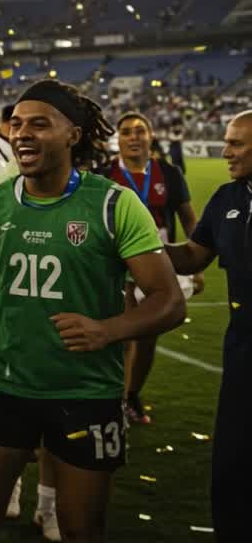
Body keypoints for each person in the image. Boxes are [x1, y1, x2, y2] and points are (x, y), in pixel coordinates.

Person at [0, 80, 186, 542]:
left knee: (82, 530)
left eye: (40, 124)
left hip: (85, 393)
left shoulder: (113, 205)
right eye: (17, 124)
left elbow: (168, 300)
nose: (23, 134)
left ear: (73, 135)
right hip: (2, 385)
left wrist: (108, 330)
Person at [160, 110, 252, 543]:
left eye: (235, 143)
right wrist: (142, 248)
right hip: (242, 353)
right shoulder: (227, 198)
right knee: (233, 462)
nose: (225, 151)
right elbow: (195, 256)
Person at [100, 111, 203, 424]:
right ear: (117, 139)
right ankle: (110, 398)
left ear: (150, 136)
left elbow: (188, 218)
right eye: (127, 131)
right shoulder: (103, 174)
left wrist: (196, 265)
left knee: (145, 335)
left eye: (139, 131)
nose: (133, 137)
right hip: (114, 263)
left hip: (155, 260)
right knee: (118, 334)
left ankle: (130, 395)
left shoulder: (168, 174)